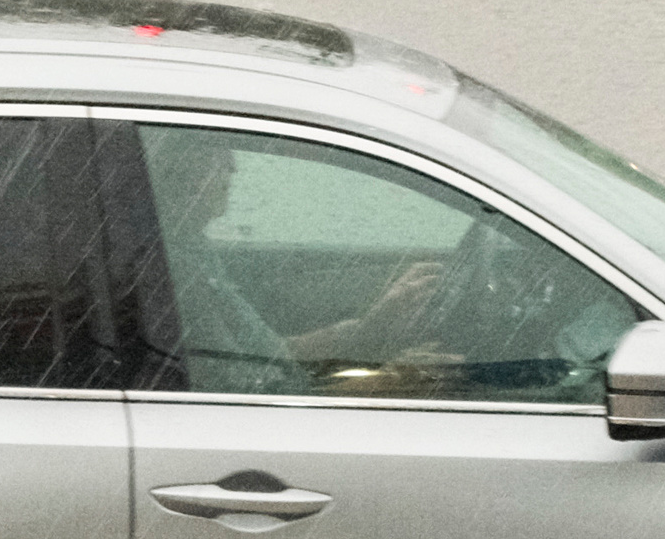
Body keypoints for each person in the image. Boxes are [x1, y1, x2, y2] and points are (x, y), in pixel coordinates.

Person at [152, 135, 457, 395]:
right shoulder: (174, 270)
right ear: (178, 171)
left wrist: (372, 325)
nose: (233, 168)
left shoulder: (192, 248)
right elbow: (250, 396)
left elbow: (272, 355)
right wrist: (395, 382)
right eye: (216, 157)